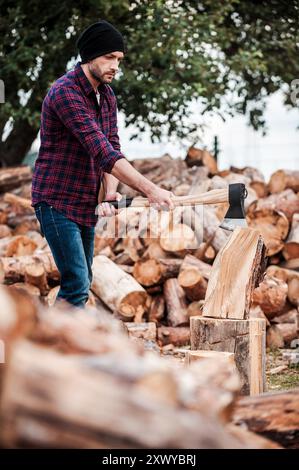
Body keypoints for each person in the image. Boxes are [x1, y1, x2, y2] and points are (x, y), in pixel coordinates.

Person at [31, 20, 174, 309]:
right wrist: (150, 189)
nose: (115, 66)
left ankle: (60, 346)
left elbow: (112, 147)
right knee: (77, 283)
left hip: (84, 203)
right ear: (89, 56)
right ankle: (52, 348)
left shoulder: (106, 96)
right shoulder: (65, 93)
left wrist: (109, 194)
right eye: (109, 57)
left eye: (119, 59)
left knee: (83, 281)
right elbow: (102, 152)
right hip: (56, 201)